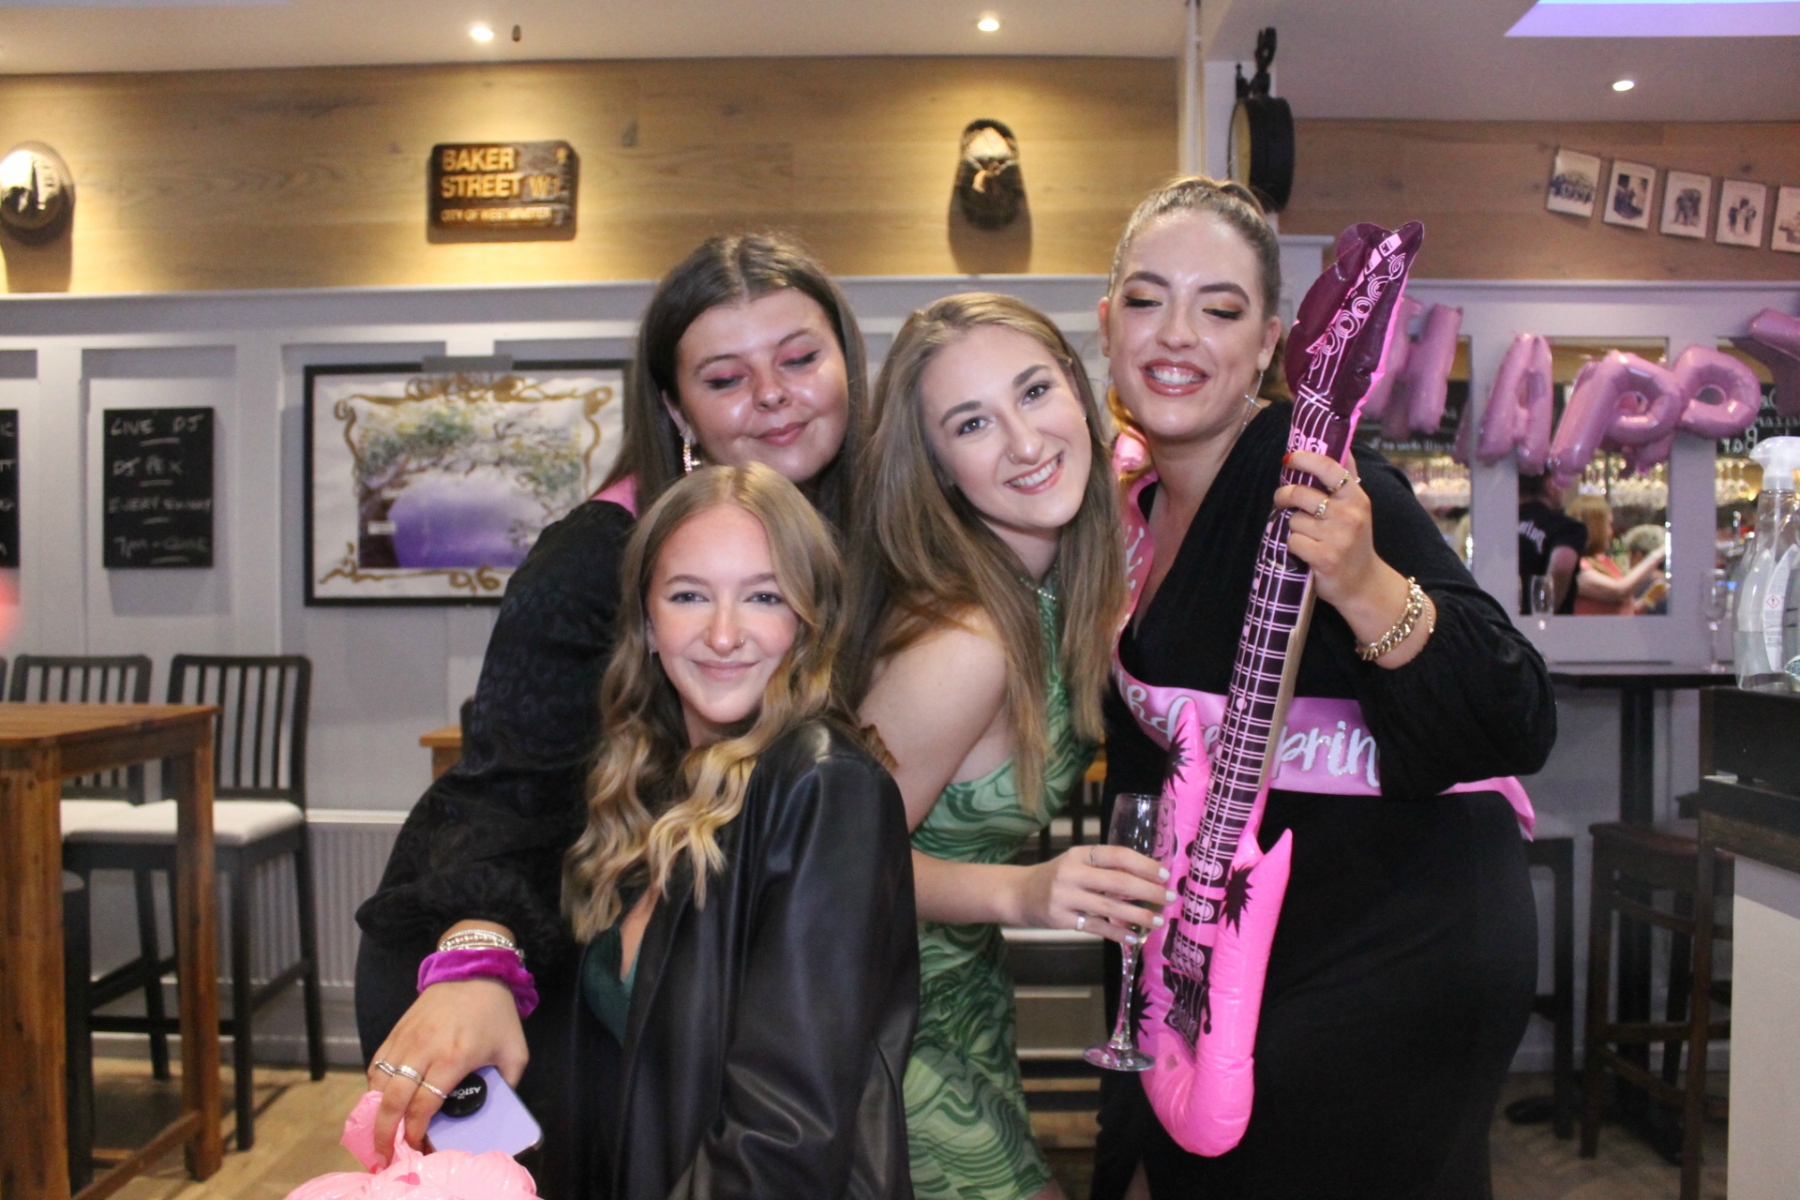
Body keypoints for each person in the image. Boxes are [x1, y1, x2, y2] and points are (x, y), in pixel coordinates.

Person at [352, 233, 870, 1193]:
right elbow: (503, 796)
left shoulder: (855, 532)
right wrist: (480, 962)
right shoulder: (600, 555)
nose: (773, 394)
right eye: (726, 377)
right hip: (530, 987)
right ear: (676, 408)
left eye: (800, 357)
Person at [1089, 177, 1555, 1200]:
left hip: (1392, 947)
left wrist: (1363, 581)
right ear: (1107, 320)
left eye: (1219, 310)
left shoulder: (1321, 475)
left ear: (1268, 343)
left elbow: (1516, 714)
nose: (1177, 334)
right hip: (1222, 961)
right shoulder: (1130, 516)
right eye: (1148, 299)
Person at [848, 294, 1157, 1200]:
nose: (1024, 442)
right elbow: (833, 868)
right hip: (883, 1022)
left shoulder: (1055, 596)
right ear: (939, 469)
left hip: (960, 996)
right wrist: (1021, 891)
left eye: (1034, 391)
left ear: (1079, 392)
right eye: (973, 423)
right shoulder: (966, 641)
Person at [555, 463, 912, 1196]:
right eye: (689, 596)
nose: (723, 634)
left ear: (810, 621)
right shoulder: (651, 788)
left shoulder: (823, 783)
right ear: (648, 625)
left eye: (764, 596)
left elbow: (783, 1137)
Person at [1568, 495, 1666, 616]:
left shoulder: (1602, 562)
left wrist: (1651, 596)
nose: (1611, 532)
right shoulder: (1576, 569)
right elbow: (1621, 591)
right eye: (1608, 525)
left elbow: (1624, 611)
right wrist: (1657, 555)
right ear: (1595, 529)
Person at [1517, 471, 1586, 614]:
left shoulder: (1499, 527)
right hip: (1545, 625)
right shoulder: (1565, 527)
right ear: (1550, 485)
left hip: (1498, 620)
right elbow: (1562, 566)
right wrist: (1541, 614)